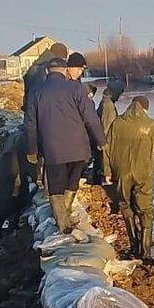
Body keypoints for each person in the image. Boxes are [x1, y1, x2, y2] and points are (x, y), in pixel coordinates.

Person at [24, 53, 106, 233]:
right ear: (65, 71)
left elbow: (30, 124)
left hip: (53, 150)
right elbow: (91, 118)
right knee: (73, 181)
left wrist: (32, 150)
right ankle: (67, 213)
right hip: (79, 149)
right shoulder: (76, 89)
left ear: (47, 71)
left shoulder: (36, 92)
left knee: (55, 187)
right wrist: (101, 140)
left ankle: (62, 224)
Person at [105, 95, 154, 262]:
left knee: (126, 207)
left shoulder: (117, 123)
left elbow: (106, 148)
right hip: (143, 174)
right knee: (146, 211)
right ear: (145, 109)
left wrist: (107, 171)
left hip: (121, 174)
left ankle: (133, 247)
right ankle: (146, 253)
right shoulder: (151, 125)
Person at [0, 126, 31, 242]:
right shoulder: (23, 138)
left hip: (12, 169)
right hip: (10, 171)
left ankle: (8, 230)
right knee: (9, 203)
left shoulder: (22, 134)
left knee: (20, 201)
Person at [92, 79, 124, 183]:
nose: (119, 98)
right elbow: (107, 130)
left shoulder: (104, 102)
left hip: (100, 145)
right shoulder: (108, 106)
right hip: (105, 147)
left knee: (98, 168)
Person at [22, 42, 68, 114]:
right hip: (42, 112)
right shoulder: (47, 68)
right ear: (59, 56)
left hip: (31, 108)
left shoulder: (35, 67)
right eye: (64, 58)